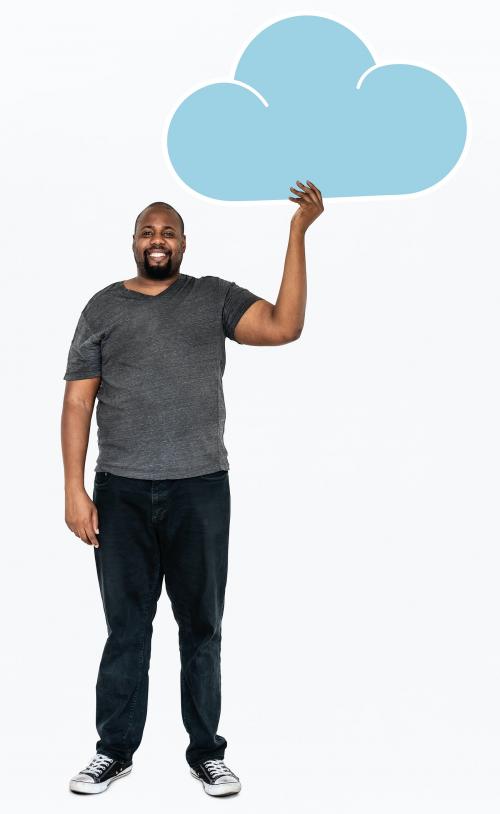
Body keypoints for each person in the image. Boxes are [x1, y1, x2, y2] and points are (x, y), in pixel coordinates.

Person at [61, 181, 323, 797]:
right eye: (148, 231)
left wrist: (297, 233)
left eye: (169, 231)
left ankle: (206, 752)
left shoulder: (212, 298)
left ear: (183, 243)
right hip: (120, 491)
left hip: (199, 489)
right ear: (133, 242)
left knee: (201, 626)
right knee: (126, 628)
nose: (158, 240)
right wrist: (75, 490)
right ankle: (114, 751)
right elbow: (77, 401)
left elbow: (285, 326)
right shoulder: (102, 308)